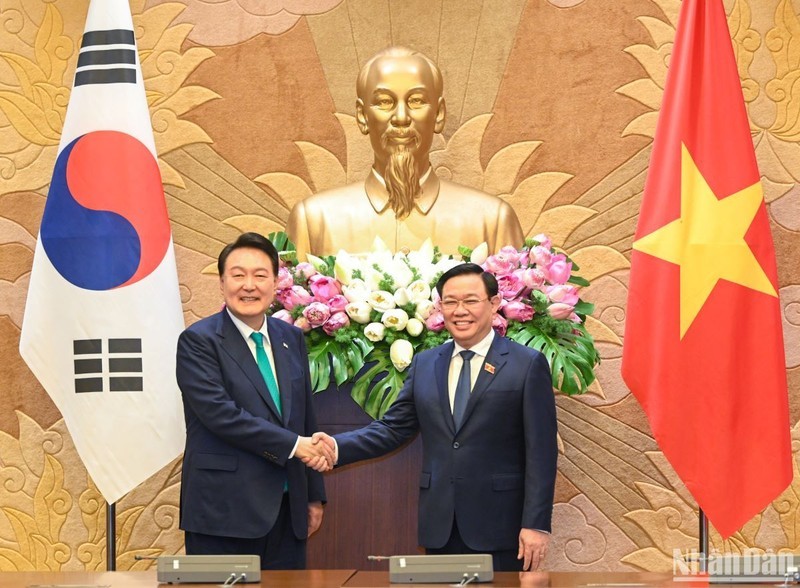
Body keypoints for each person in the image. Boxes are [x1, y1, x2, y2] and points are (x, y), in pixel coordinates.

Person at [312, 263, 558, 571]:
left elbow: (542, 453)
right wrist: (335, 447)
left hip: (502, 527)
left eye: (471, 301)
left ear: (494, 304)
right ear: (439, 306)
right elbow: (393, 429)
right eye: (451, 302)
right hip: (441, 524)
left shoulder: (526, 364)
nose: (460, 310)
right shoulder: (427, 363)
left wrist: (536, 524)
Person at [176, 232, 334, 569]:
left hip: (287, 509)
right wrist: (295, 445)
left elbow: (305, 418)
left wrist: (313, 495)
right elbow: (221, 415)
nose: (249, 285)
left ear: (275, 283)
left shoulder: (290, 337)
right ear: (222, 283)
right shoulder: (198, 342)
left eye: (260, 275)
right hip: (223, 512)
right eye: (238, 275)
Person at [286, 47, 524, 259]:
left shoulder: (492, 221)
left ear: (439, 114)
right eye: (384, 102)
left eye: (417, 101)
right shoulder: (315, 221)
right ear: (362, 116)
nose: (401, 118)